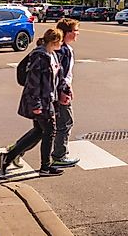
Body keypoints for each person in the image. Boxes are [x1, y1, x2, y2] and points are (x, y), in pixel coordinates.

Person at [0, 28, 67, 177]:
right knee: (50, 131)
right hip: (41, 101)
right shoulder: (40, 57)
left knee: (39, 131)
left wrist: (65, 90)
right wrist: (36, 104)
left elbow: (59, 77)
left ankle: (9, 156)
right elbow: (33, 83)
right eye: (60, 41)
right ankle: (45, 167)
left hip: (49, 100)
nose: (62, 43)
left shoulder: (53, 55)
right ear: (54, 41)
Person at [51, 18, 80, 167]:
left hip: (56, 92)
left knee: (44, 129)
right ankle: (59, 156)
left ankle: (13, 152)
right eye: (75, 30)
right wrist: (64, 91)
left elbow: (66, 74)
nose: (77, 33)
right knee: (66, 122)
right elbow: (60, 74)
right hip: (59, 93)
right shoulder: (64, 50)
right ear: (67, 33)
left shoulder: (61, 48)